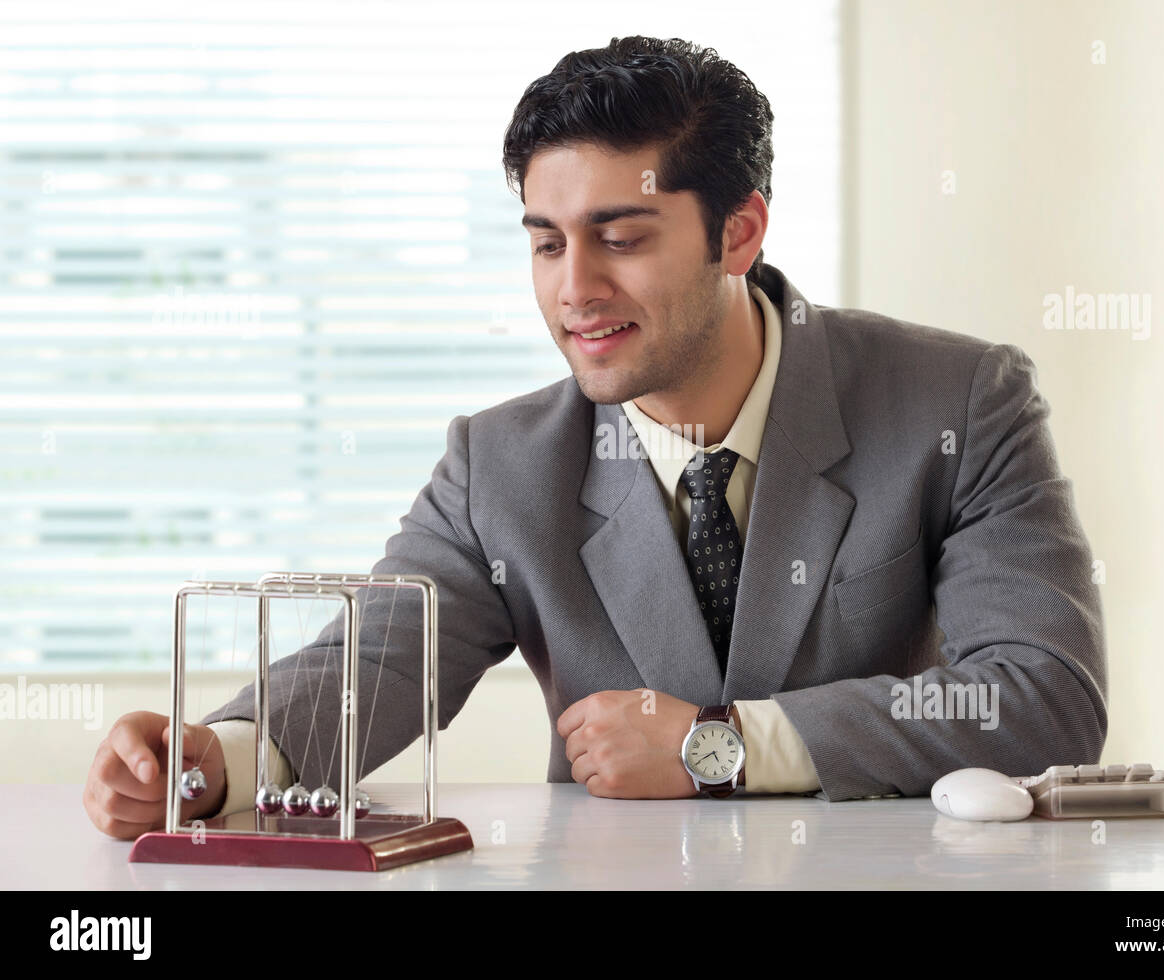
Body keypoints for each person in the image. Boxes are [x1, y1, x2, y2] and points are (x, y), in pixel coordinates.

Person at [84, 35, 1106, 839]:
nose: (575, 288)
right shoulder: (503, 465)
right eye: (545, 242)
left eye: (620, 238)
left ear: (740, 232)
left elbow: (1042, 695)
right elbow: (381, 660)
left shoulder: (957, 403)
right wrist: (213, 756)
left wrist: (724, 745)